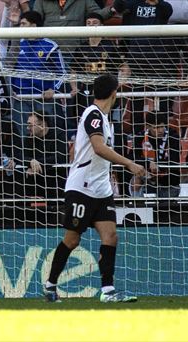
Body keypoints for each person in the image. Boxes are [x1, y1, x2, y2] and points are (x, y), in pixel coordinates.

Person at [43, 74, 145, 303]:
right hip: (82, 188)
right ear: (114, 93)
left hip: (101, 189)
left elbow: (81, 150)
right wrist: (128, 163)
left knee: (111, 236)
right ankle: (50, 285)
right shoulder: (93, 114)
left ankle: (107, 291)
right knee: (72, 240)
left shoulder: (104, 119)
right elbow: (98, 148)